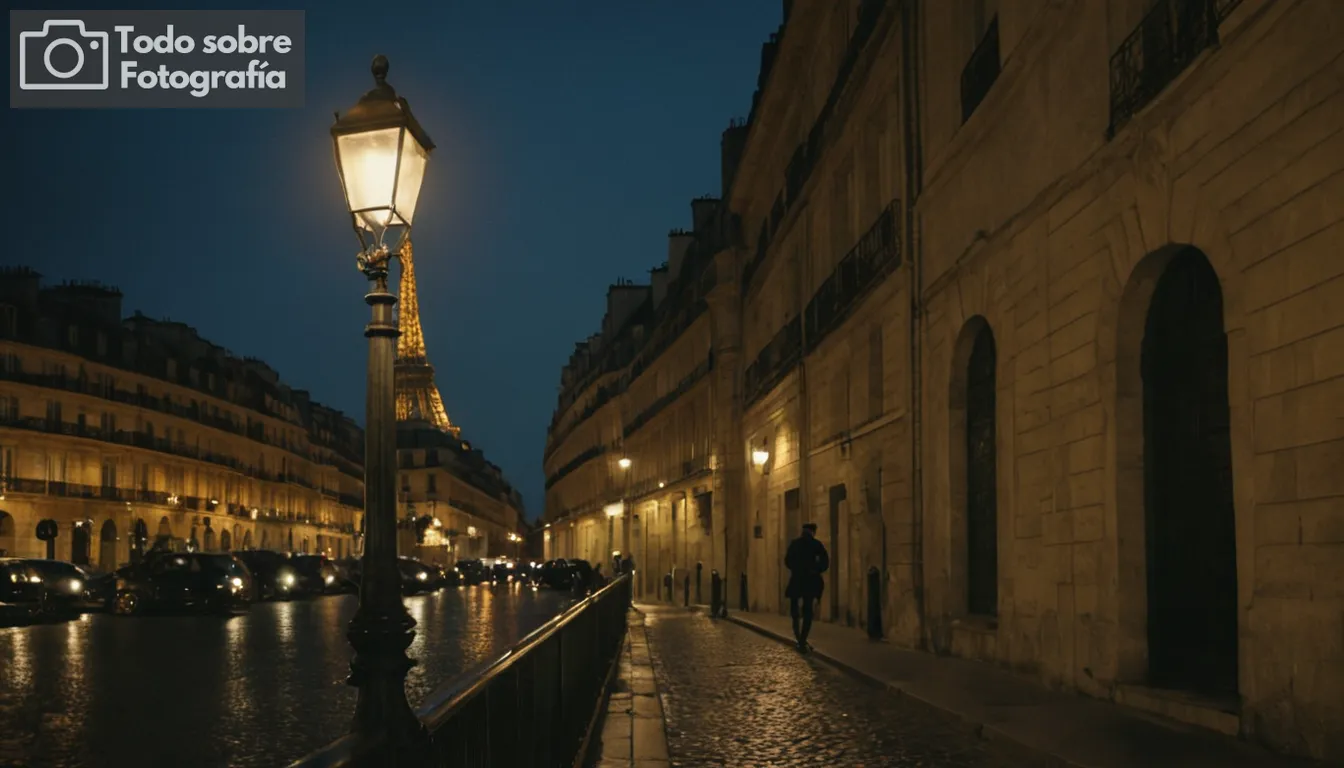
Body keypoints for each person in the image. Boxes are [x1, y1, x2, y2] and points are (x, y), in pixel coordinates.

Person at [784, 522, 829, 653]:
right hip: (810, 581)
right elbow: (825, 562)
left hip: (796, 580)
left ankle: (799, 638)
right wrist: (816, 569)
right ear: (813, 532)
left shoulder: (795, 544)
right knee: (808, 610)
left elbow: (787, 561)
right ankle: (802, 639)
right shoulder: (816, 545)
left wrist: (796, 568)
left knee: (795, 611)